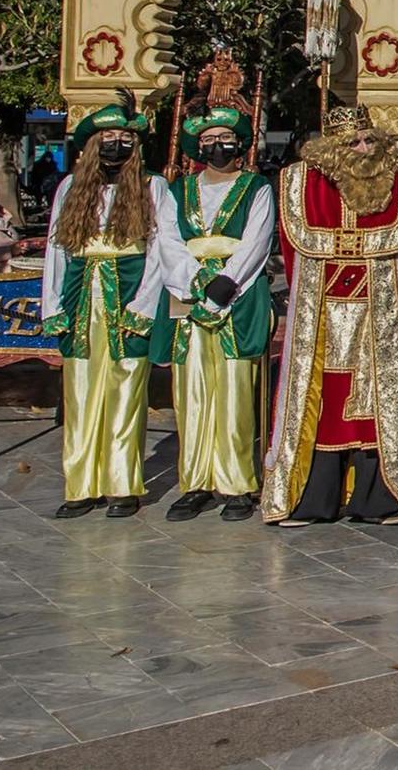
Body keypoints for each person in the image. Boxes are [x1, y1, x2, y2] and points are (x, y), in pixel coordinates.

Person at [262, 104, 398, 526]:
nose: (362, 148)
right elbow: (289, 250)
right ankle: (310, 498)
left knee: (381, 402)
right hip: (319, 314)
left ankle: (383, 498)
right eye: (351, 142)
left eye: (368, 140)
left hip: (380, 312)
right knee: (320, 401)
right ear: (330, 150)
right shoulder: (297, 184)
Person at [41, 94, 183, 518]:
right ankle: (81, 484)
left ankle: (122, 484)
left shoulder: (151, 186)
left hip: (128, 294)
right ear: (92, 143)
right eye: (108, 137)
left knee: (126, 389)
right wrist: (52, 305)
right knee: (81, 391)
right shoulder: (69, 187)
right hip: (82, 296)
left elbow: (161, 249)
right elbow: (56, 250)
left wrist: (143, 306)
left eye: (124, 138)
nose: (116, 144)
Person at [157, 102, 276, 523]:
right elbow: (168, 242)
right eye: (208, 141)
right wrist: (195, 283)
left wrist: (222, 285)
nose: (217, 146)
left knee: (235, 388)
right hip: (187, 295)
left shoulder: (257, 187)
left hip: (237, 294)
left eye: (224, 139)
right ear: (196, 147)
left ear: (239, 143)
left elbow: (257, 241)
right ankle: (195, 481)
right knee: (190, 390)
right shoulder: (178, 191)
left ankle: (237, 481)